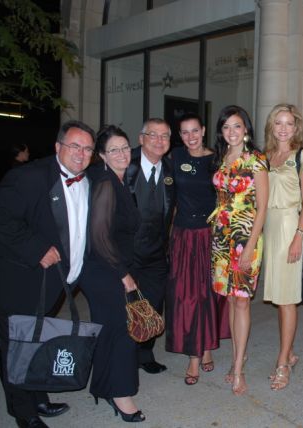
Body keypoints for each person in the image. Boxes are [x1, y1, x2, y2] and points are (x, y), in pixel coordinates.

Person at [0, 120, 95, 428]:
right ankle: (23, 412)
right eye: (74, 146)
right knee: (14, 347)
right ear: (58, 147)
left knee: (36, 339)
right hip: (10, 280)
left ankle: (38, 397)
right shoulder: (28, 176)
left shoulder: (87, 181)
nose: (81, 154)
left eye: (88, 148)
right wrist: (36, 248)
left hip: (49, 283)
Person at [79, 125, 145, 422]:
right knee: (122, 333)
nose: (122, 154)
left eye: (125, 148)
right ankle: (120, 394)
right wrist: (124, 275)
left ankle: (105, 387)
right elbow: (100, 236)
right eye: (114, 150)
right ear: (102, 156)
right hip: (106, 271)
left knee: (108, 332)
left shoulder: (116, 180)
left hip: (108, 268)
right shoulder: (106, 182)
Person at [165, 113, 229, 385]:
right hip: (181, 235)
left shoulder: (217, 159)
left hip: (208, 235)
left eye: (194, 131)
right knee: (184, 296)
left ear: (203, 130)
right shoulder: (175, 157)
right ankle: (195, 353)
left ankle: (201, 351)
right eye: (184, 132)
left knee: (205, 295)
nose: (190, 136)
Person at [210, 105, 269, 396]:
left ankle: (239, 370)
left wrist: (249, 249)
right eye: (226, 127)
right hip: (221, 238)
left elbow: (261, 209)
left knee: (243, 302)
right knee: (231, 303)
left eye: (237, 126)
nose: (231, 132)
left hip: (246, 238)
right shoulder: (221, 159)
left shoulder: (256, 160)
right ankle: (237, 358)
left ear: (246, 129)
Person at [262, 104, 303, 390]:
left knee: (287, 299)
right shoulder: (267, 155)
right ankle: (290, 353)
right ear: (272, 126)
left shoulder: (301, 156)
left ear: (296, 128)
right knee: (279, 297)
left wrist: (299, 235)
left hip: (288, 227)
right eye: (278, 123)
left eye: (289, 123)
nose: (283, 128)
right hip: (269, 227)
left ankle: (283, 362)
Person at [126, 118, 175, 374]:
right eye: (153, 135)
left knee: (154, 304)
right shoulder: (125, 165)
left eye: (165, 136)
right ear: (141, 138)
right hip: (127, 251)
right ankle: (125, 356)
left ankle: (145, 355)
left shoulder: (169, 168)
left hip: (156, 252)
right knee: (126, 304)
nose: (159, 140)